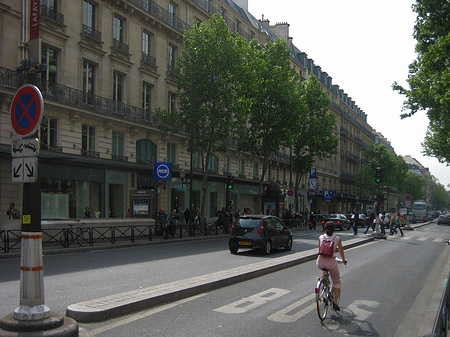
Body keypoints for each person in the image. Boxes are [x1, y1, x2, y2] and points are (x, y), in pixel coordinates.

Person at [316, 221, 348, 311]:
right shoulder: (337, 238)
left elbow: (320, 249)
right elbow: (341, 251)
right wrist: (344, 260)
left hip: (320, 262)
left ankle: (324, 283)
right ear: (334, 230)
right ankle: (335, 303)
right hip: (331, 262)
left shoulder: (320, 237)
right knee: (337, 282)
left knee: (325, 273)